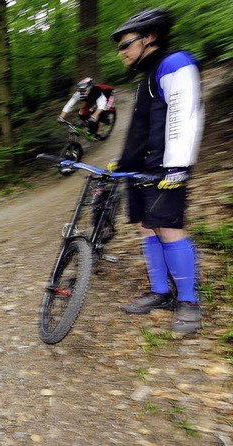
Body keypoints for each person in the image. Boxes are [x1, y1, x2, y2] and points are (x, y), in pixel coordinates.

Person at [110, 9, 204, 333]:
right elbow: (142, 128)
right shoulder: (147, 78)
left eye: (126, 45)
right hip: (141, 170)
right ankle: (161, 292)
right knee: (147, 227)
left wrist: (177, 167)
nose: (122, 53)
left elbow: (183, 114)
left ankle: (188, 301)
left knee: (168, 228)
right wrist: (122, 165)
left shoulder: (174, 63)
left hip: (165, 167)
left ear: (149, 38)